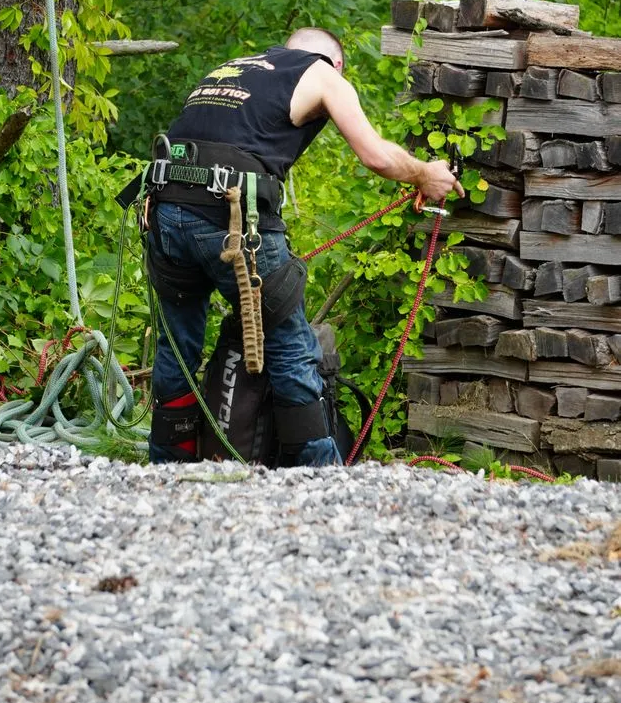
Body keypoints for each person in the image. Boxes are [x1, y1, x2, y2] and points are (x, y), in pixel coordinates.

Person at [146, 27, 464, 466]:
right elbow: (376, 156)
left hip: (163, 207)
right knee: (291, 347)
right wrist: (425, 174)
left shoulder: (234, 68)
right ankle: (320, 475)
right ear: (336, 64)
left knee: (177, 346)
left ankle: (166, 466)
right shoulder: (324, 74)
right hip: (232, 216)